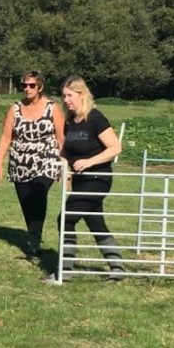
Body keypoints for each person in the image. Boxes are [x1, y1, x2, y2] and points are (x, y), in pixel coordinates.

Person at [0, 70, 64, 263]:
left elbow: (61, 138)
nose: (27, 88)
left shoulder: (52, 108)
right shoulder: (15, 109)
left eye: (32, 85)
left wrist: (64, 165)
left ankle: (34, 241)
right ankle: (34, 236)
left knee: (38, 194)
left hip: (46, 160)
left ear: (40, 87)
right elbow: (6, 137)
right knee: (26, 203)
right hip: (20, 163)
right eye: (24, 85)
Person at [58, 76, 125, 279]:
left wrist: (89, 162)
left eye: (69, 95)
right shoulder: (70, 121)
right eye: (64, 96)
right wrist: (64, 170)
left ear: (81, 94)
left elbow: (115, 147)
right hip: (80, 181)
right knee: (96, 222)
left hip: (97, 178)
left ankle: (64, 270)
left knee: (65, 218)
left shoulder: (95, 118)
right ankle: (118, 268)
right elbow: (67, 152)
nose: (66, 100)